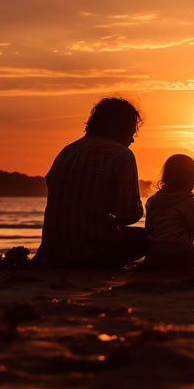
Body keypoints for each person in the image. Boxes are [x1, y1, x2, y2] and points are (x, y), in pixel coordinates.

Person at [32, 97, 149, 268]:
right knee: (156, 237)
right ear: (121, 128)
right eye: (132, 133)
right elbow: (129, 213)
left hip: (51, 253)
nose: (132, 140)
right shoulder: (121, 155)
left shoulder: (67, 151)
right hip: (91, 252)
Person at [144, 154, 194, 271]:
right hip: (178, 256)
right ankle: (188, 266)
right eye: (192, 183)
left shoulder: (152, 201)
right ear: (187, 181)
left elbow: (149, 229)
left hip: (154, 257)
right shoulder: (188, 203)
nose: (193, 187)